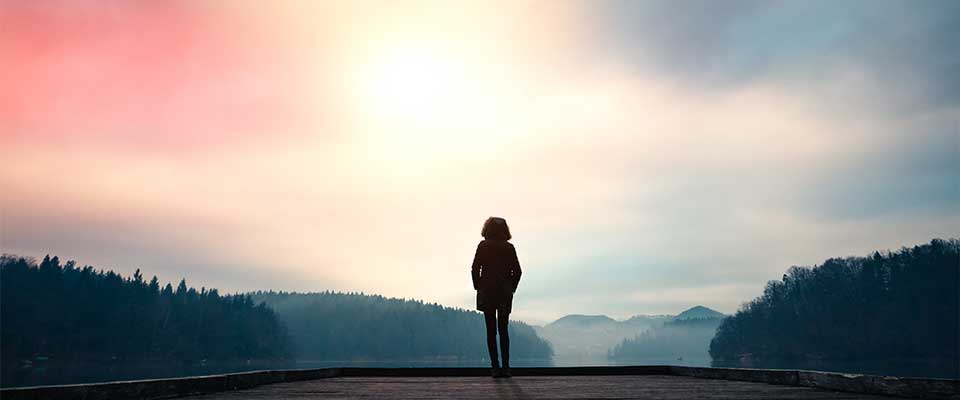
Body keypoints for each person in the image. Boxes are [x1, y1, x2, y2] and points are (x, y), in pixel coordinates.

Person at [471, 216, 522, 378]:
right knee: (503, 329)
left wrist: (478, 286)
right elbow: (518, 271)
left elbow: (474, 268)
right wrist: (511, 288)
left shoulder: (483, 246)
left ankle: (495, 368)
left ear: (487, 228)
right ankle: (506, 368)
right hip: (504, 294)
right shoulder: (509, 247)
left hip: (487, 292)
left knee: (490, 330)